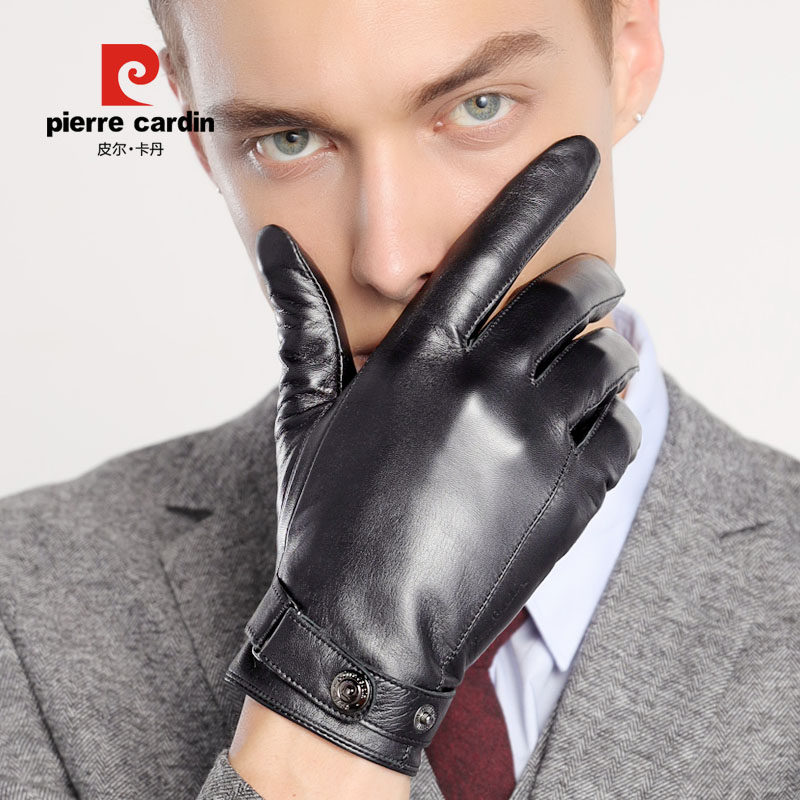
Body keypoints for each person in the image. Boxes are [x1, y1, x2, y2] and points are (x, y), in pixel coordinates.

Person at [0, 2, 797, 800]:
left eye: (479, 106)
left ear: (629, 55)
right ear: (203, 140)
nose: (389, 260)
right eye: (289, 140)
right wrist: (337, 678)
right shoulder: (26, 609)